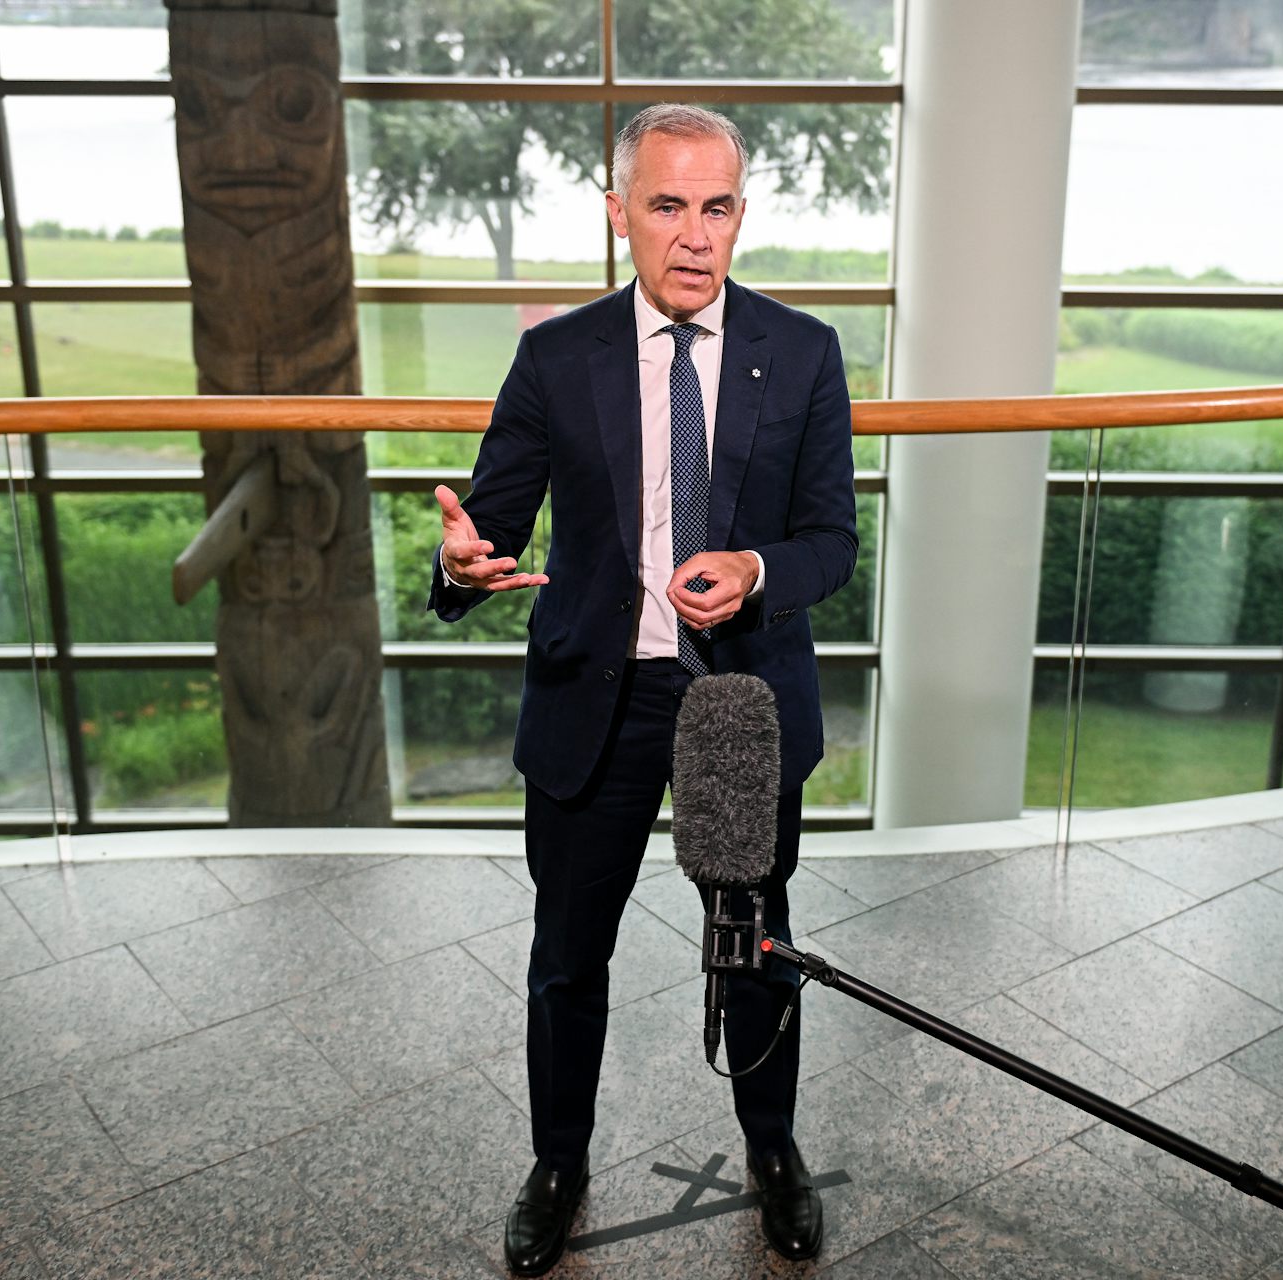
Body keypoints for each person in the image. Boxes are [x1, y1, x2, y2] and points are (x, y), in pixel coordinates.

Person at [426, 103, 857, 1276]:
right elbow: (490, 525)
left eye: (715, 206)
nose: (693, 235)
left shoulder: (805, 350)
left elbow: (832, 540)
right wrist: (461, 564)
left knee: (758, 943)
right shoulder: (555, 355)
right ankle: (557, 1164)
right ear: (618, 213)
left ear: (739, 213)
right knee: (568, 954)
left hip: (739, 700)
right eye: (666, 205)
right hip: (595, 702)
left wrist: (760, 570)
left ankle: (773, 1152)